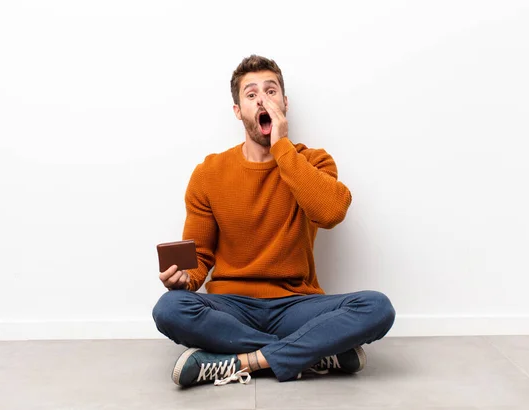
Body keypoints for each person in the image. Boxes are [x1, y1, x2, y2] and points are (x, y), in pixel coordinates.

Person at [152, 55, 396, 388]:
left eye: (271, 91)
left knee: (377, 307)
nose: (263, 100)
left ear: (285, 103)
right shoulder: (209, 173)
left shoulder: (312, 161)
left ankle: (239, 362)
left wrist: (281, 147)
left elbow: (331, 213)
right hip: (231, 306)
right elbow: (200, 260)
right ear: (238, 111)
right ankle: (312, 351)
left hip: (296, 305)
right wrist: (182, 279)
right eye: (251, 95)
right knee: (169, 309)